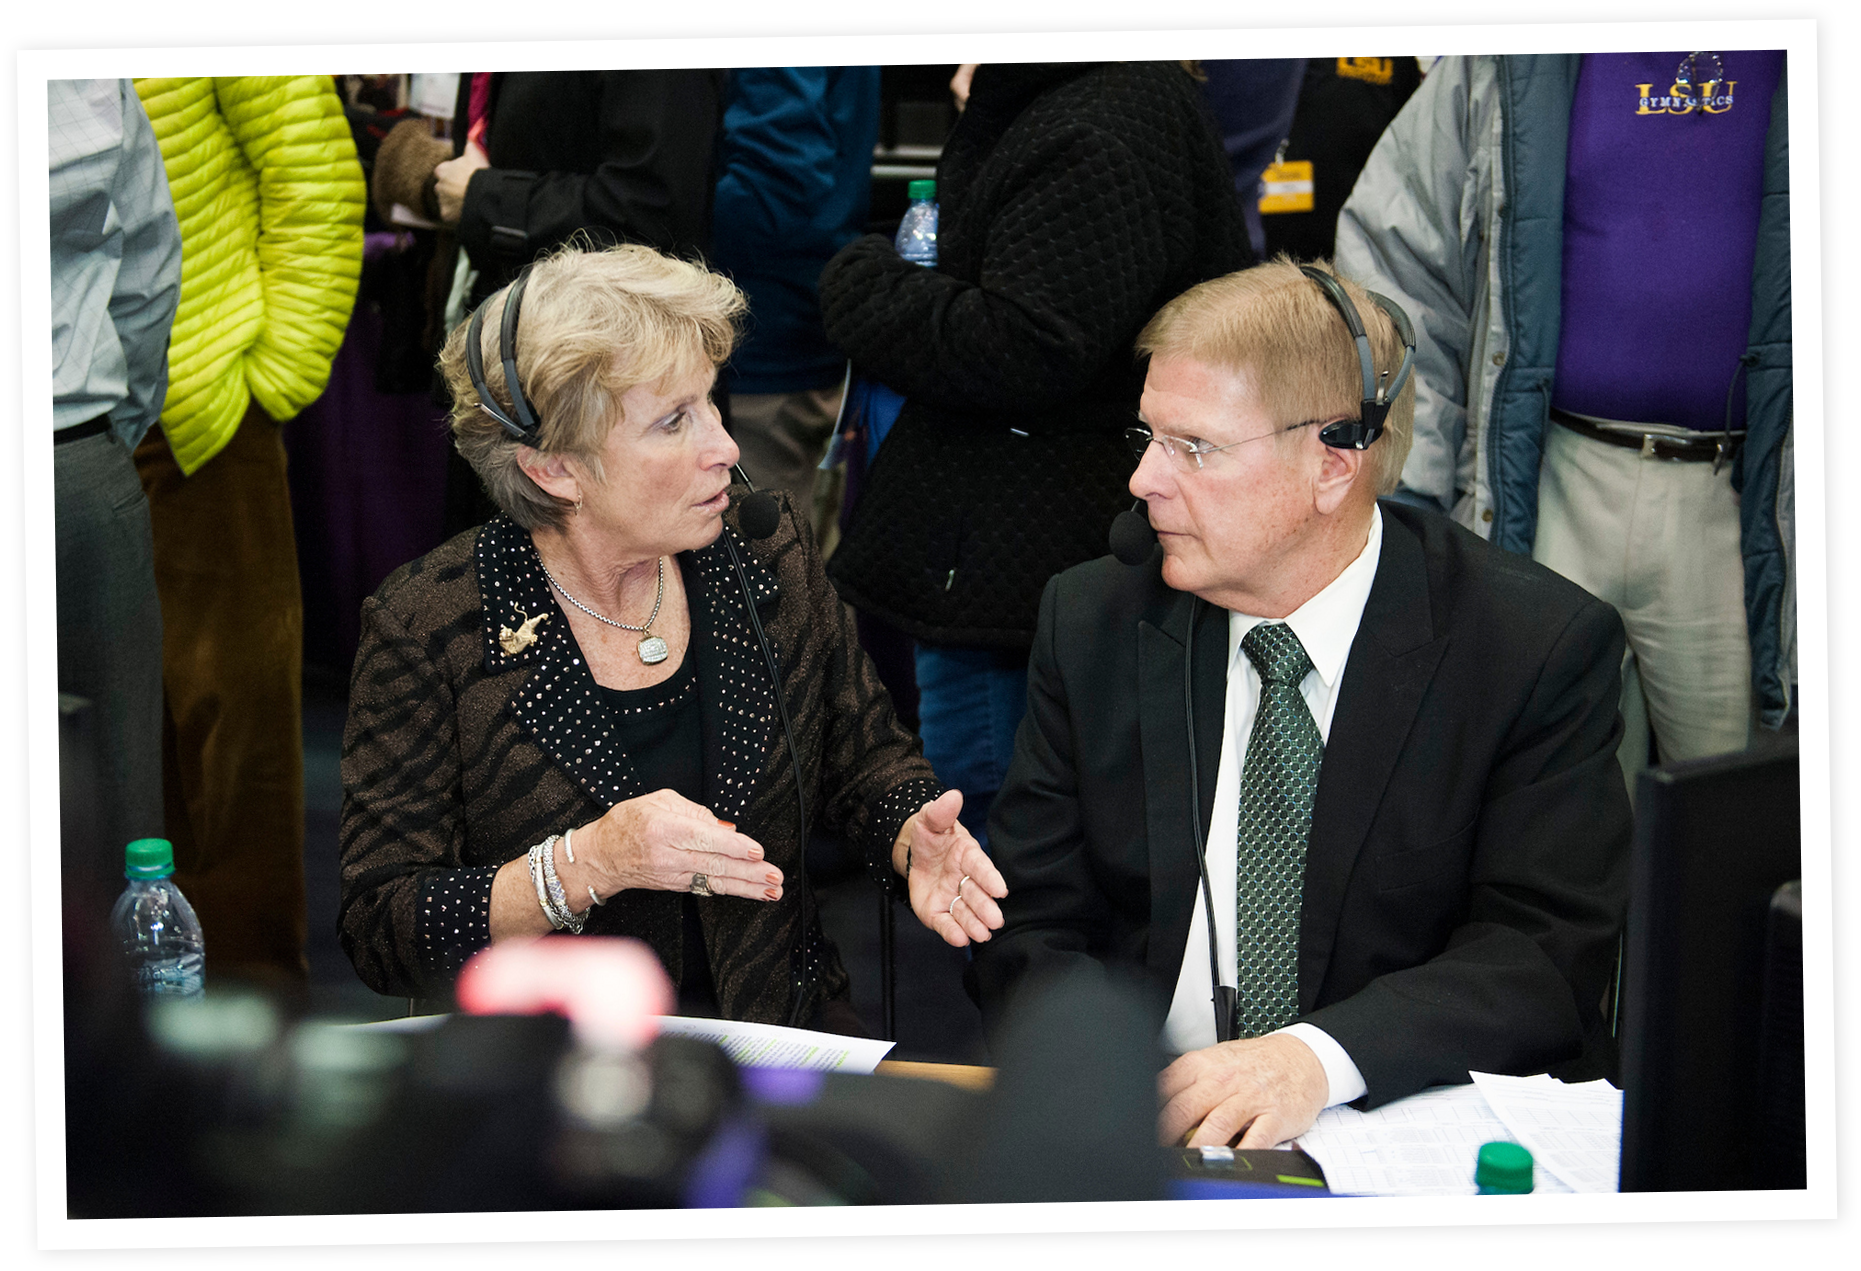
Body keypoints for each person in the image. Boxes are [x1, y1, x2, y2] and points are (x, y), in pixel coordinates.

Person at [967, 259, 1630, 1148]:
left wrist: (1314, 1058)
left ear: (1332, 463)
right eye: (1148, 438)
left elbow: (1542, 950)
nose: (1143, 482)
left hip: (1391, 1122)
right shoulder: (1094, 620)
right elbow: (1033, 919)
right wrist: (1113, 1077)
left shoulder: (1528, 647)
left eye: (1193, 447)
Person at [338, 244, 1005, 1027]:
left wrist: (906, 830)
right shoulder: (432, 624)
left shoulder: (763, 553)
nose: (723, 446)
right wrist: (588, 863)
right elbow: (381, 925)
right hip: (546, 1077)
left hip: (776, 1044)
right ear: (555, 469)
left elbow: (865, 760)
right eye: (672, 421)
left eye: (711, 403)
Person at [819, 61, 1252, 848]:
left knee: (1000, 832)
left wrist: (859, 282)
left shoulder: (1093, 126)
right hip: (1026, 550)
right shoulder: (1082, 102)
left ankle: (1010, 973)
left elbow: (1025, 343)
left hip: (1018, 573)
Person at [1333, 53, 1794, 788]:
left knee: (1731, 816)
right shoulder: (1505, 63)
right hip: (1541, 476)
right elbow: (1396, 273)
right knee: (1550, 803)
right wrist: (1408, 502)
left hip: (1747, 503)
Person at [131, 74, 365, 984]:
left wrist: (264, 379)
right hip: (81, 409)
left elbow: (314, 182)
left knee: (232, 725)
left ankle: (252, 994)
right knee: (115, 727)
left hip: (196, 409)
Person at [50, 78, 182, 867]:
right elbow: (147, 272)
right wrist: (105, 442)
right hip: (78, 457)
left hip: (81, 460)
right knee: (120, 821)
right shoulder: (84, 77)